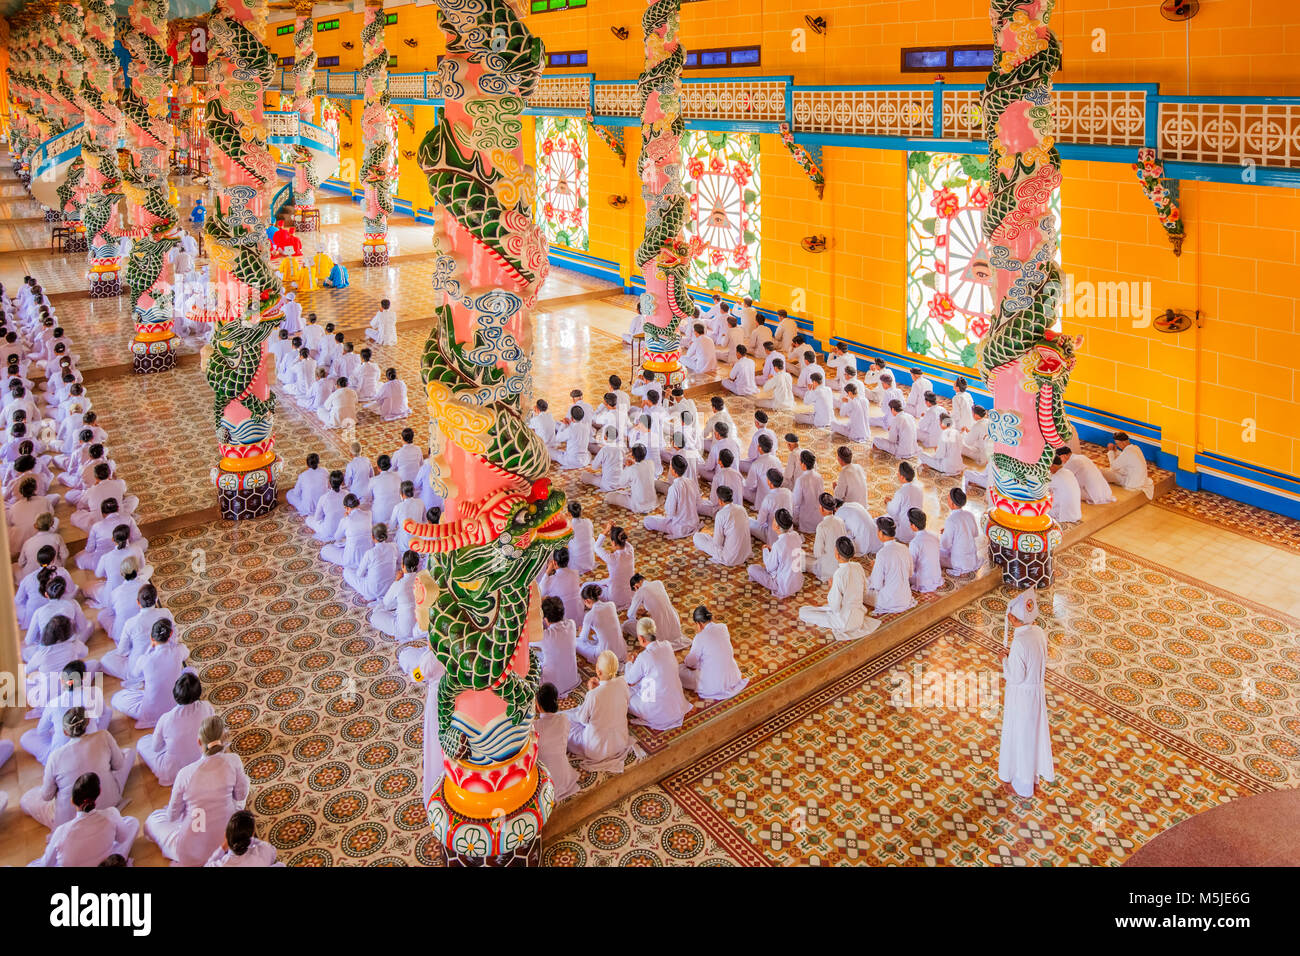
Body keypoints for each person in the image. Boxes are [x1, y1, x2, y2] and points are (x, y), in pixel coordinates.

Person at [146, 716, 251, 867]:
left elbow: (172, 816)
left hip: (194, 851)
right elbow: (241, 795)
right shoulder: (233, 760)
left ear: (199, 742)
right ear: (224, 739)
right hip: (230, 841)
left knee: (153, 820)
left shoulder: (185, 774)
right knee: (244, 782)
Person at [21, 708, 133, 830]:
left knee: (27, 798)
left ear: (65, 732)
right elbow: (119, 765)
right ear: (88, 721)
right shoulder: (104, 736)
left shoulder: (55, 757)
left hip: (70, 820)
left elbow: (47, 796)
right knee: (128, 753)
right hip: (110, 803)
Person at [998, 588, 1055, 797]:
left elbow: (1015, 677)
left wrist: (1004, 659)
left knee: (1022, 738)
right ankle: (1033, 778)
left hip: (1022, 697)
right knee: (1032, 736)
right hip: (1036, 693)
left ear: (1013, 617)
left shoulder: (1020, 641)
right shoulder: (1038, 632)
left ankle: (1022, 786)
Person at [29, 773, 140, 867]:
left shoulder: (61, 832)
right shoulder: (111, 814)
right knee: (132, 822)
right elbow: (123, 837)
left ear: (72, 801)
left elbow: (46, 864)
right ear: (99, 792)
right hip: (106, 861)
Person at [137, 672, 216, 787]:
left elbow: (156, 748)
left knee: (142, 742)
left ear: (175, 693)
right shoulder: (207, 707)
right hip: (204, 763)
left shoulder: (166, 718)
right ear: (198, 692)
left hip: (174, 772)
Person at [111, 618, 189, 729]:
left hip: (151, 712)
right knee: (187, 672)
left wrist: (148, 650)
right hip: (175, 707)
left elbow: (134, 674)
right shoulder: (178, 651)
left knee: (116, 698)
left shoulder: (145, 659)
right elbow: (186, 652)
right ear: (171, 634)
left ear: (152, 638)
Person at [564, 651, 632, 773]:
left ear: (598, 672)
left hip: (597, 749)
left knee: (564, 721)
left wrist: (591, 692)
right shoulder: (622, 683)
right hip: (620, 741)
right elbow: (623, 701)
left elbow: (582, 719)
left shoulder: (593, 695)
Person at [799, 536, 877, 640]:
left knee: (803, 612)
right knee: (823, 609)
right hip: (859, 615)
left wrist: (831, 588)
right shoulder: (858, 566)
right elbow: (865, 590)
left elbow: (835, 606)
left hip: (844, 621)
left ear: (837, 555)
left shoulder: (839, 574)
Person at [626, 618, 692, 730]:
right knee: (648, 681)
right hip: (676, 706)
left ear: (641, 638)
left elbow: (629, 680)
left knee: (624, 693)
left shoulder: (644, 657)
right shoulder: (667, 645)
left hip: (656, 711)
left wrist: (629, 662)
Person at [679, 606, 747, 701]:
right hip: (733, 677)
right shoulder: (723, 627)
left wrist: (686, 663)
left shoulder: (700, 637)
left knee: (679, 671)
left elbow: (690, 662)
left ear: (698, 624)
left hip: (712, 685)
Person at [534, 683, 580, 801]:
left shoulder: (535, 727)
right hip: (564, 774)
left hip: (545, 778)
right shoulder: (564, 719)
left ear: (537, 706)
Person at [747, 509, 805, 598]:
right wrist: (773, 551)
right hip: (798, 582)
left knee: (752, 569)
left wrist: (765, 551)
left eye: (774, 520)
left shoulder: (777, 545)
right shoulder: (796, 535)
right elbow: (787, 550)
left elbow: (769, 568)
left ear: (777, 526)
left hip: (784, 586)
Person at [864, 517, 916, 616]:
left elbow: (876, 585)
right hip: (905, 598)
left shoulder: (882, 554)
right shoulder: (904, 548)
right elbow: (910, 573)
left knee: (861, 588)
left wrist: (874, 569)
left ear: (880, 533)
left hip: (888, 601)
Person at [622, 574, 686, 649]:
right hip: (675, 626)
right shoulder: (658, 583)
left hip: (659, 632)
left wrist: (637, 616)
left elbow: (630, 614)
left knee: (626, 625)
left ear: (636, 586)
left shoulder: (641, 590)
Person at [643, 455, 699, 539]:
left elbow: (670, 512)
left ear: (673, 470)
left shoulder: (674, 488)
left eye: (670, 466)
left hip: (680, 527)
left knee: (647, 520)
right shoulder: (691, 482)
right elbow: (699, 502)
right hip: (694, 523)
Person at [693, 485, 750, 566]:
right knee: (709, 537)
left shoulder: (721, 514)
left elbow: (717, 543)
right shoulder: (742, 508)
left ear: (720, 501)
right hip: (745, 554)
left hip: (729, 558)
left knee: (697, 537)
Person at [371, 549, 422, 641]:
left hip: (404, 629)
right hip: (419, 626)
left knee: (374, 617)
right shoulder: (421, 579)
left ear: (403, 566)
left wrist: (396, 580)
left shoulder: (400, 584)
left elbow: (386, 601)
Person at [874, 462, 925, 549]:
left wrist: (889, 503)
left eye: (898, 473)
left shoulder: (901, 493)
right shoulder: (919, 490)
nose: (897, 474)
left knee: (878, 521)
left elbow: (892, 511)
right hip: (916, 531)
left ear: (902, 477)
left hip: (904, 534)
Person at [535, 596, 580, 695]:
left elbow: (528, 639)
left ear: (545, 619)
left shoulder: (545, 636)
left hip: (553, 686)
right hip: (572, 680)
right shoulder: (572, 624)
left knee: (533, 656)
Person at [204, 811, 282, 867]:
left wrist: (223, 847)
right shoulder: (264, 850)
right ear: (252, 834)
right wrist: (252, 840)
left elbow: (207, 865)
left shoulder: (219, 864)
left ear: (227, 835)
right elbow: (273, 854)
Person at [344, 523, 399, 602]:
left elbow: (359, 574)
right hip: (389, 587)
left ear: (372, 537)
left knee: (347, 571)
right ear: (386, 535)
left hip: (372, 590)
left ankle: (371, 594)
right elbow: (400, 564)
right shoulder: (394, 547)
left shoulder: (370, 553)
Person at [576, 583, 627, 664]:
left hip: (605, 655)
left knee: (576, 642)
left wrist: (580, 632)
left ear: (587, 601)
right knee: (596, 638)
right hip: (621, 651)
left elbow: (583, 639)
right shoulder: (611, 605)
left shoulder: (589, 615)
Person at [939, 487, 984, 576]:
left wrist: (945, 534)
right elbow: (975, 533)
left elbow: (945, 544)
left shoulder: (951, 520)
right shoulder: (969, 515)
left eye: (948, 498)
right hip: (972, 560)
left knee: (935, 554)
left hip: (958, 562)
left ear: (952, 503)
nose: (947, 499)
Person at [604, 444, 657, 514]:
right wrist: (633, 465)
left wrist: (627, 467)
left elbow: (621, 482)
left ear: (632, 456)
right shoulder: (651, 463)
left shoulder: (632, 469)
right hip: (652, 501)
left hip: (638, 505)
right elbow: (641, 468)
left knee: (609, 496)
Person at [539, 547, 584, 629]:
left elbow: (539, 592)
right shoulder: (575, 573)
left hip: (561, 619)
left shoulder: (551, 580)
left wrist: (547, 572)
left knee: (540, 605)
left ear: (554, 563)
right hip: (579, 617)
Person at [1103, 432, 1154, 498]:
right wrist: (1116, 451)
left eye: (1117, 444)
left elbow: (1113, 467)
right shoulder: (1135, 448)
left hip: (1131, 483)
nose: (1117, 446)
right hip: (1140, 480)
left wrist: (1110, 451)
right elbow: (1125, 458)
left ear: (1123, 443)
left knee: (1103, 473)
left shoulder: (1127, 452)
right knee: (1118, 469)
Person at [810, 494, 849, 582]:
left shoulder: (822, 526)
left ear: (822, 509)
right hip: (840, 565)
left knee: (802, 561)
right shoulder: (840, 521)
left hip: (827, 571)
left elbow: (818, 553)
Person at [908, 508, 943, 593]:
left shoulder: (915, 543)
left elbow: (911, 567)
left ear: (913, 526)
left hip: (923, 580)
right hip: (936, 576)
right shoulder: (934, 536)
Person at [791, 450, 825, 534]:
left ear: (803, 464)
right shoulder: (819, 477)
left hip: (806, 523)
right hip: (819, 519)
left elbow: (796, 502)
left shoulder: (801, 480)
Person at [1049, 451, 1083, 524]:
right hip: (1075, 513)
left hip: (1063, 516)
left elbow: (1041, 488)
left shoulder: (1056, 477)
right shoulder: (1068, 472)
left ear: (1053, 466)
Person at [565, 500, 596, 574]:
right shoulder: (588, 522)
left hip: (575, 566)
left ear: (569, 513)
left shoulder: (569, 526)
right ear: (581, 511)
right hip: (590, 562)